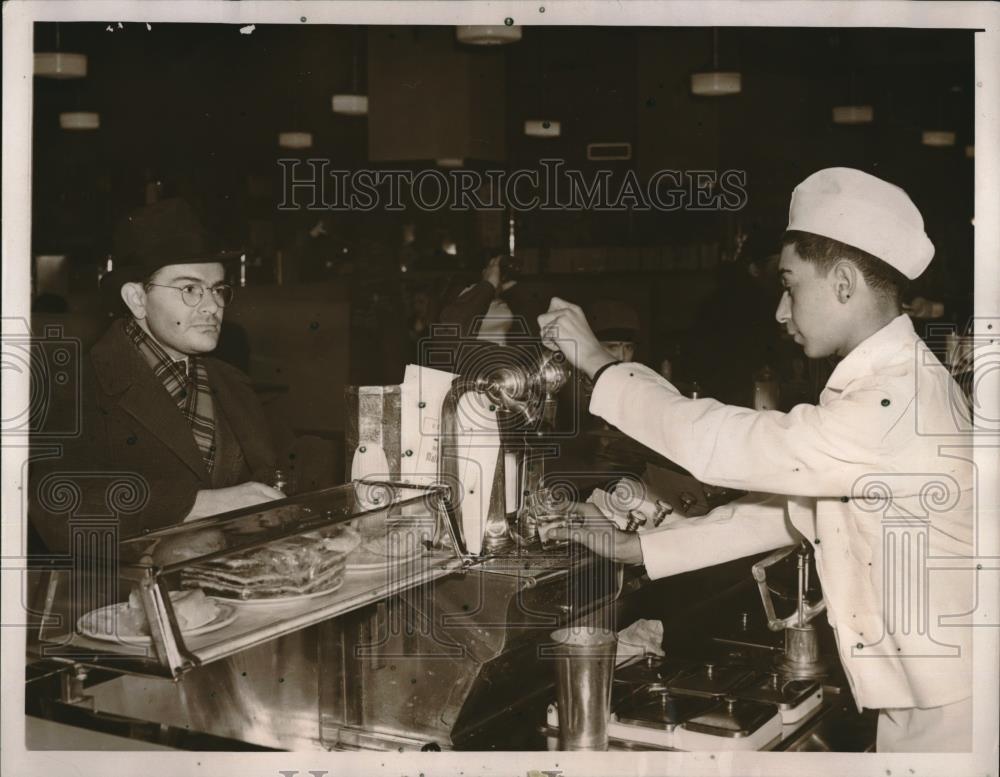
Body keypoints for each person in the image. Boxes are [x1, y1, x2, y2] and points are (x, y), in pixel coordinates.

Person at [538, 168, 974, 752]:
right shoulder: (899, 383)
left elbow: (720, 443)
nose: (779, 310)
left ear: (844, 282)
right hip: (934, 696)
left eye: (790, 285)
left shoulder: (891, 403)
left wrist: (598, 363)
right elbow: (794, 511)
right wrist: (644, 547)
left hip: (956, 711)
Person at [30, 198, 285, 554]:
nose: (212, 306)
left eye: (218, 289)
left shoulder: (232, 383)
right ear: (137, 299)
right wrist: (203, 504)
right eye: (190, 289)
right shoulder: (74, 385)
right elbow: (56, 508)